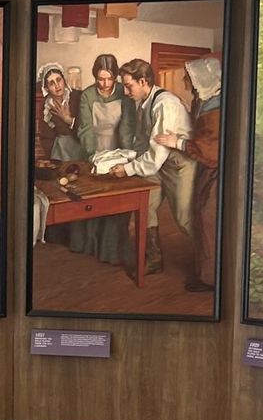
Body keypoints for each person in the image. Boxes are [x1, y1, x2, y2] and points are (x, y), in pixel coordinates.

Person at [107, 58, 196, 276]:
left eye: (129, 86)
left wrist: (127, 169)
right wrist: (126, 160)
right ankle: (154, 258)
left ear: (144, 81)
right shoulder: (144, 102)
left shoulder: (164, 104)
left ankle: (210, 263)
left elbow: (157, 154)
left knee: (185, 219)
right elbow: (144, 142)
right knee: (145, 205)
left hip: (179, 165)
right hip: (159, 164)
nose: (126, 92)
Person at [156, 56, 222, 292]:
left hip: (216, 172)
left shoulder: (217, 107)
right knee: (203, 220)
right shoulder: (203, 100)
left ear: (200, 80)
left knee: (209, 219)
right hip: (206, 169)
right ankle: (206, 274)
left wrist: (178, 142)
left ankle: (212, 279)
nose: (185, 80)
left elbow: (212, 147)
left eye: (188, 77)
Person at [69, 53, 138, 265]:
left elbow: (127, 128)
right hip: (93, 149)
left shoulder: (124, 93)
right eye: (100, 79)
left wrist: (124, 156)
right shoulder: (88, 95)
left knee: (115, 200)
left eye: (109, 79)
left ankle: (112, 251)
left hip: (116, 149)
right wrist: (93, 155)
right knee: (91, 199)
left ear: (116, 76)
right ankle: (88, 245)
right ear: (95, 77)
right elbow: (86, 128)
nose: (105, 83)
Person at [36, 63, 84, 161]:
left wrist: (68, 119)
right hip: (59, 153)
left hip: (81, 148)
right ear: (46, 88)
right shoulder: (46, 107)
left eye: (59, 80)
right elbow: (46, 138)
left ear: (64, 81)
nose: (57, 86)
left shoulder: (78, 97)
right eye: (51, 83)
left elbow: (87, 130)